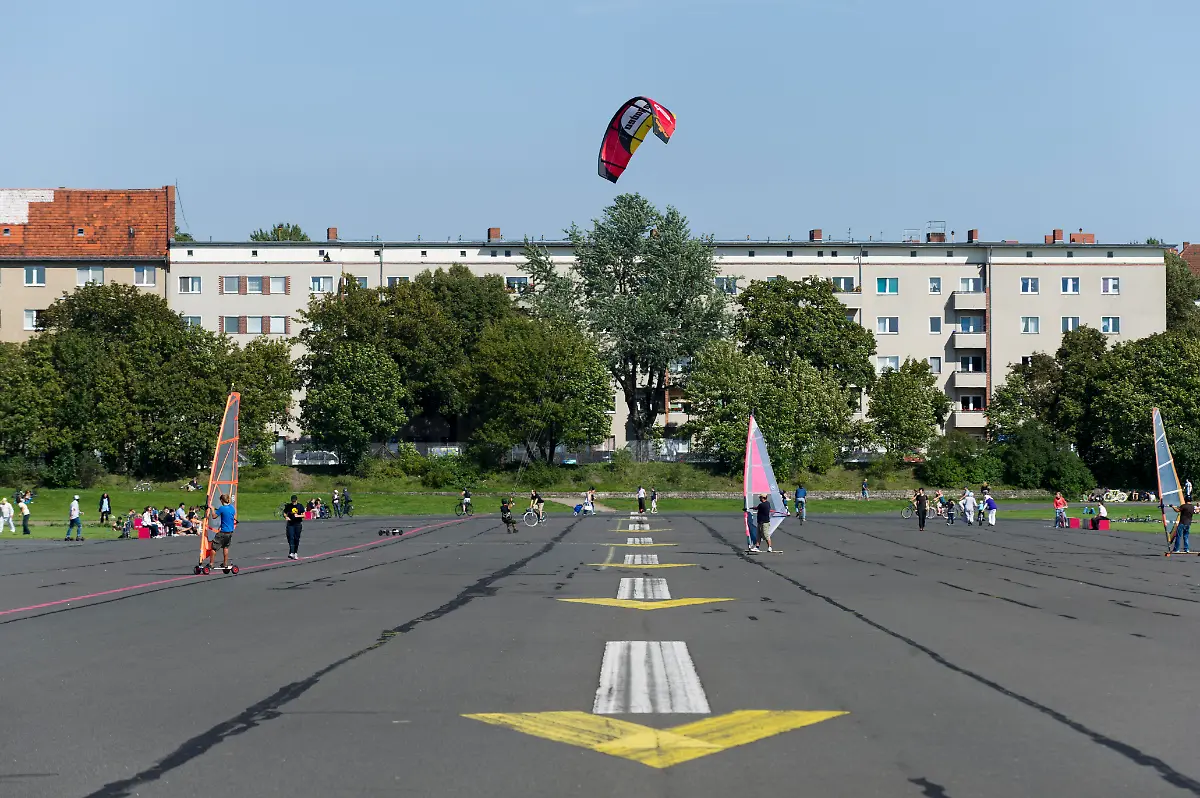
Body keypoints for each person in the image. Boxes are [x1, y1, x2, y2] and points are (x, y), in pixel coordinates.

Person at [206, 494, 237, 570]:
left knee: (214, 548)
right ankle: (225, 564)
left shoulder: (222, 508)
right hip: (230, 533)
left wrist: (212, 509)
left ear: (222, 500)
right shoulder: (232, 508)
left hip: (223, 532)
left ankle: (211, 564)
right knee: (225, 547)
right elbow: (229, 518)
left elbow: (214, 516)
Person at [284, 494, 305, 560]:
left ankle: (295, 552)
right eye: (292, 501)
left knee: (296, 538)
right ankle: (291, 552)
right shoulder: (289, 506)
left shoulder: (300, 506)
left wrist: (298, 516)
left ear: (296, 500)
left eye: (294, 501)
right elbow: (284, 512)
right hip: (290, 524)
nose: (293, 502)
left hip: (298, 524)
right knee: (290, 537)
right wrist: (286, 517)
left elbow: (304, 515)